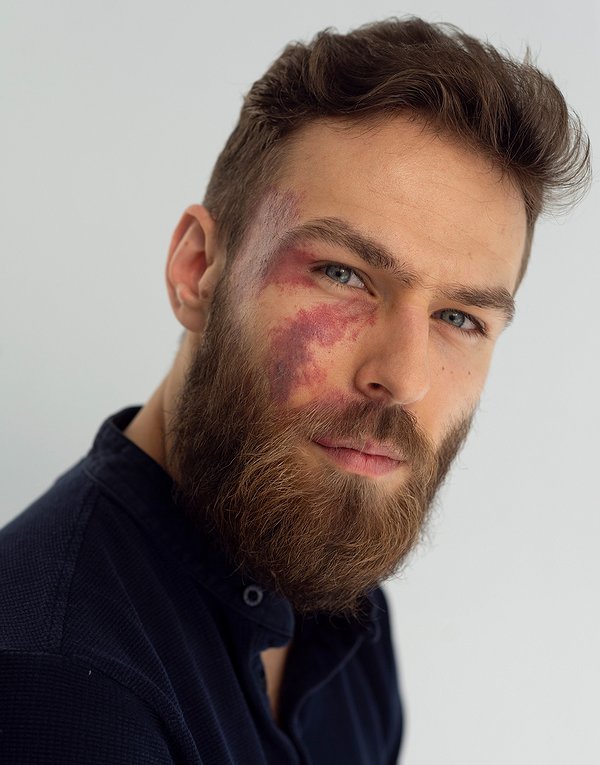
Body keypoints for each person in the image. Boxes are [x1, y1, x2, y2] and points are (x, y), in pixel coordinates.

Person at [0, 16, 590, 765]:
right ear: (198, 270)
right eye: (344, 275)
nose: (403, 377)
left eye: (459, 318)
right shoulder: (58, 686)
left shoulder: (339, 604)